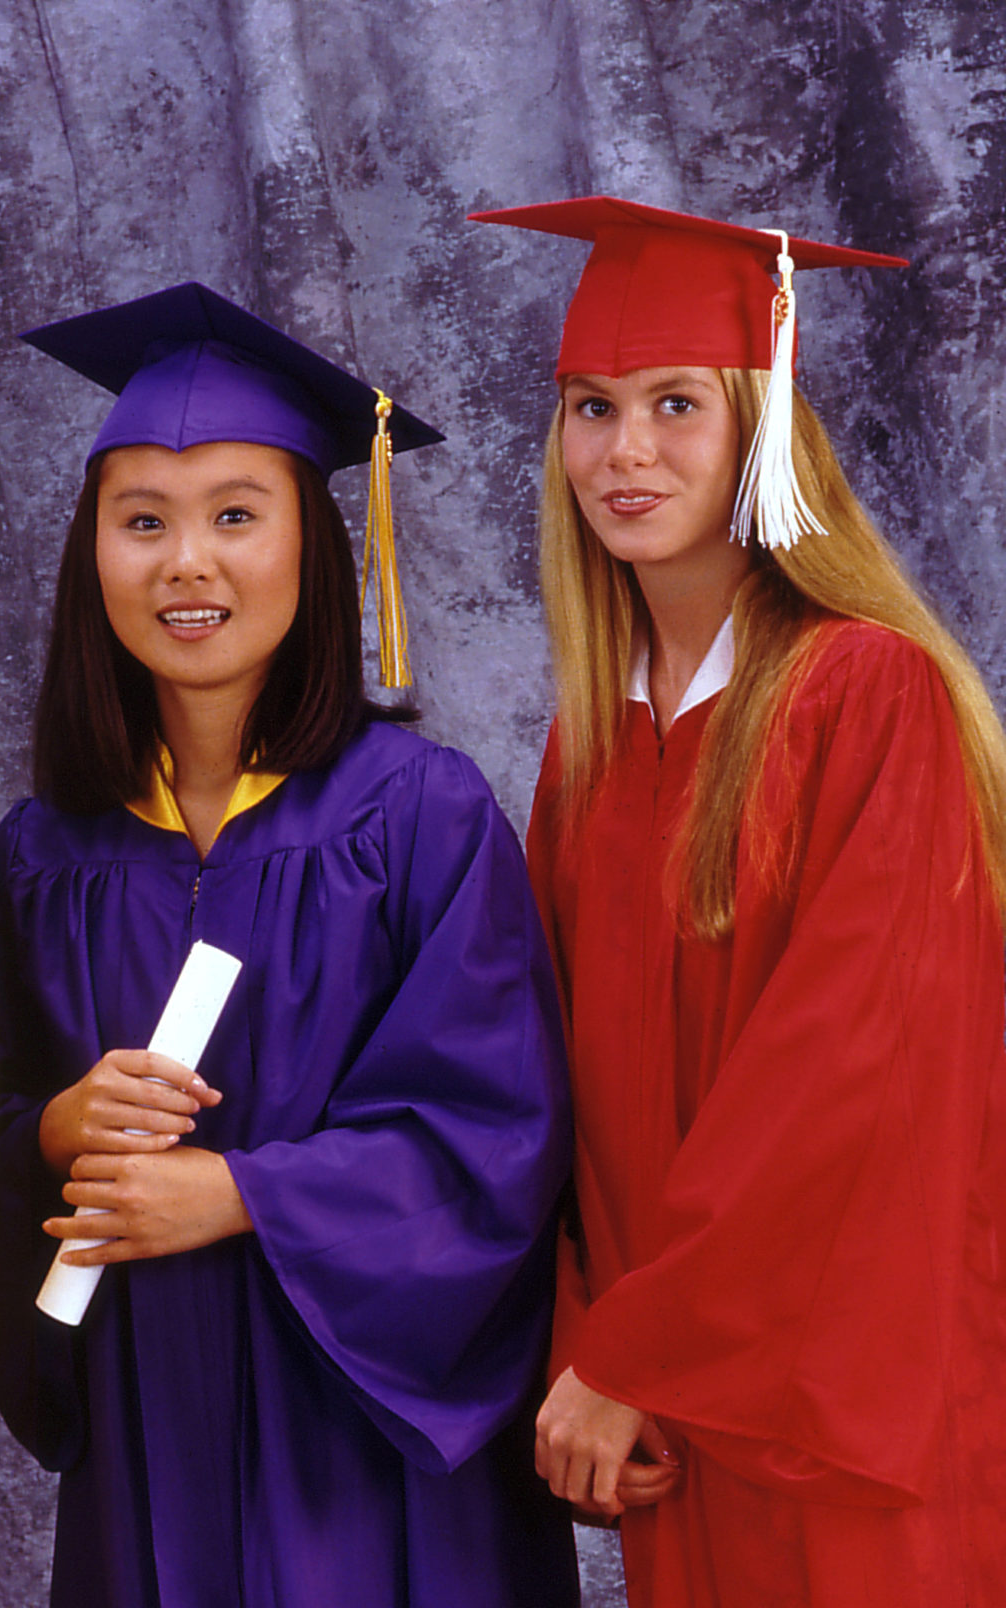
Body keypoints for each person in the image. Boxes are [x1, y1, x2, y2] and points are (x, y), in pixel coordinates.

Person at [0, 283, 579, 1606]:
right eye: (144, 523)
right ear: (92, 557)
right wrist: (56, 1129)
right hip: (145, 1440)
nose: (189, 564)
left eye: (237, 514)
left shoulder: (419, 817)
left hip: (378, 1463)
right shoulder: (44, 859)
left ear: (312, 542)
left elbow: (501, 1138)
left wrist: (243, 1197)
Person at [478, 196, 1006, 1605]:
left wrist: (634, 1351)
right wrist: (591, 1335)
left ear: (763, 427)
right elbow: (548, 1075)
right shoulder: (591, 744)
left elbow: (849, 1082)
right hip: (668, 1417)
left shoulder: (864, 697)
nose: (625, 450)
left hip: (840, 1419)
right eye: (592, 408)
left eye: (675, 405)